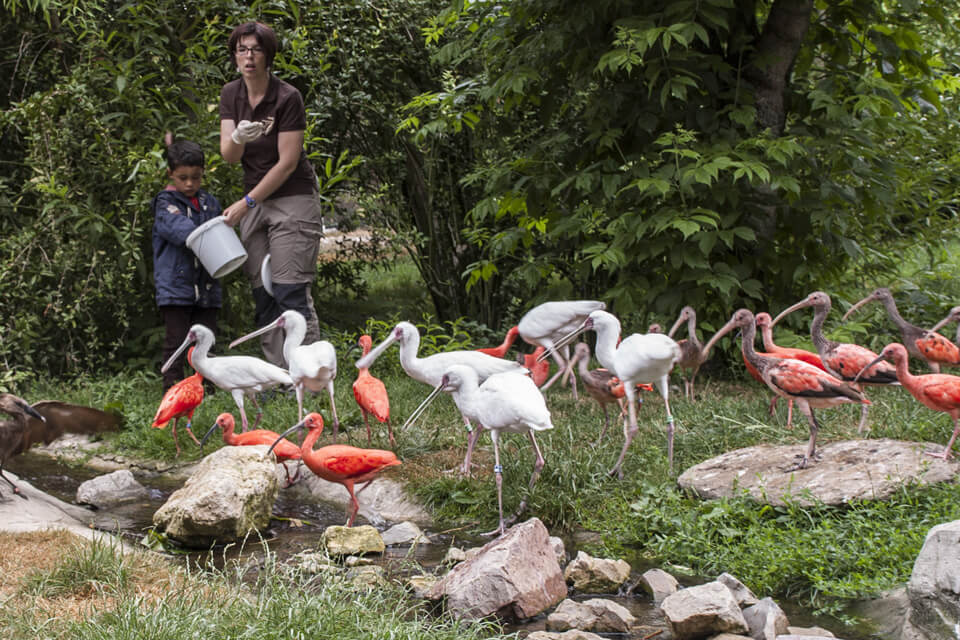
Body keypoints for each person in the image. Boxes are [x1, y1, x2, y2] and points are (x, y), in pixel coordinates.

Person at [219, 21, 324, 367]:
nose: (248, 57)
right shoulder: (230, 94)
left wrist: (247, 202)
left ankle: (308, 374)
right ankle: (276, 375)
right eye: (242, 49)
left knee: (290, 289)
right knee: (263, 293)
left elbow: (288, 162)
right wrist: (238, 138)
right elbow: (229, 156)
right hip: (254, 200)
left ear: (268, 55)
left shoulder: (287, 97)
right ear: (235, 55)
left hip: (290, 197)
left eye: (256, 49)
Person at [152, 139, 222, 392]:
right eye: (183, 178)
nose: (190, 184)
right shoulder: (165, 204)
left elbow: (221, 233)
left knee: (207, 339)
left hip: (207, 286)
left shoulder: (209, 202)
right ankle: (174, 389)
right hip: (175, 288)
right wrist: (209, 233)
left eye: (196, 177)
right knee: (177, 341)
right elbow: (180, 231)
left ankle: (207, 388)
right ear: (170, 173)